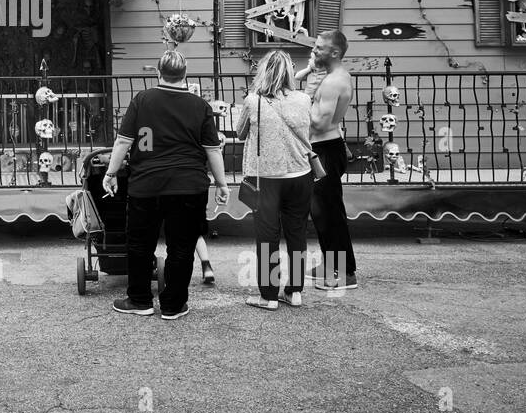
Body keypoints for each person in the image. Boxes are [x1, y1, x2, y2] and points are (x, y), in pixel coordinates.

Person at [104, 50, 230, 320]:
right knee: (182, 247)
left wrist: (111, 172)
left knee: (139, 244)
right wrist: (221, 183)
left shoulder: (142, 100)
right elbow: (212, 150)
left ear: (158, 73)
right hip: (189, 185)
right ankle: (173, 305)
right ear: (185, 75)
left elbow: (123, 141)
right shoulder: (200, 107)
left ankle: (139, 300)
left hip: (146, 184)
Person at [239, 50, 314, 310]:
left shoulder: (252, 100)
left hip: (266, 177)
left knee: (267, 236)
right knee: (297, 234)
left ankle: (268, 296)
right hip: (300, 173)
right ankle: (294, 292)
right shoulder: (304, 99)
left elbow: (240, 133)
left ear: (263, 71)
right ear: (290, 73)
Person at [296, 31, 357, 290]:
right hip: (326, 148)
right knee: (324, 212)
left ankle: (345, 273)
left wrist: (298, 104)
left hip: (325, 151)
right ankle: (331, 263)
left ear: (334, 52)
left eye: (320, 48)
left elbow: (320, 123)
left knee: (328, 213)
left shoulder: (333, 82)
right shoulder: (334, 77)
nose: (315, 51)